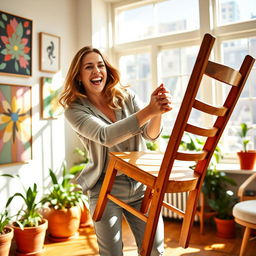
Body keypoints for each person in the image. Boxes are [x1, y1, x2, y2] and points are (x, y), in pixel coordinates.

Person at [59, 46, 172, 256]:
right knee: (111, 253)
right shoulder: (74, 110)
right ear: (79, 76)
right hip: (105, 189)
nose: (97, 71)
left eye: (100, 65)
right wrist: (149, 110)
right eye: (89, 67)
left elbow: (150, 135)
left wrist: (158, 112)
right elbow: (105, 136)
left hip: (141, 184)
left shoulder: (126, 96)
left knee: (155, 250)